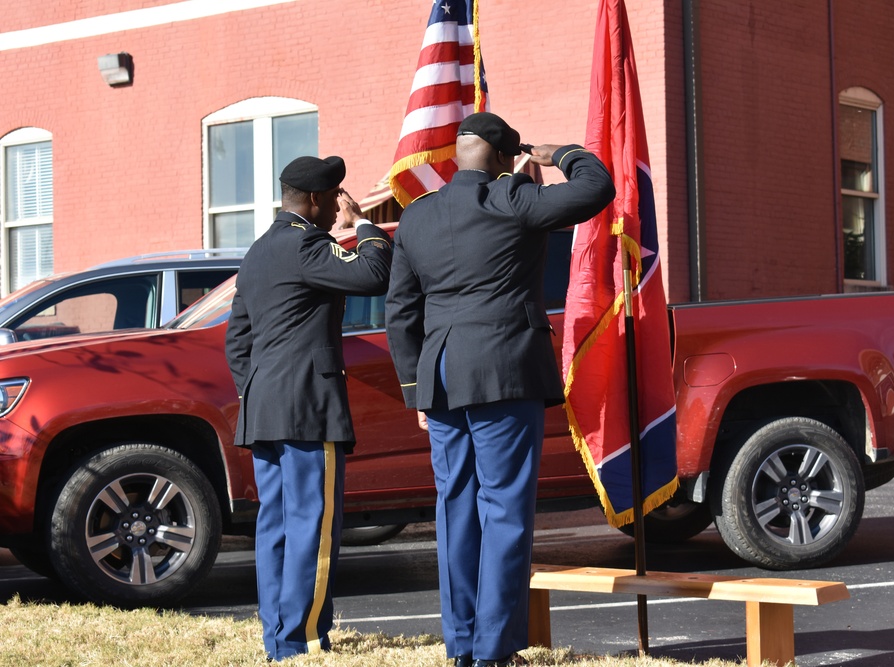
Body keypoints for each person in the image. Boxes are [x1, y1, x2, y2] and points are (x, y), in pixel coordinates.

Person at [384, 112, 615, 667]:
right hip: (503, 372)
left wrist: (416, 390)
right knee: (505, 511)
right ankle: (493, 649)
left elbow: (400, 313)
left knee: (454, 511)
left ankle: (461, 645)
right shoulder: (514, 199)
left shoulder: (416, 217)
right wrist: (560, 154)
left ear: (459, 154)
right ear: (508, 157)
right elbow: (597, 187)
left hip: (440, 378)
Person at [225, 155, 392, 662]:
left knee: (274, 526)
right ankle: (305, 638)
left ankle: (279, 636)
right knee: (312, 526)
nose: (333, 208)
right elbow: (374, 273)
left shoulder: (256, 251)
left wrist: (257, 392)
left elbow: (237, 341)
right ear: (316, 201)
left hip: (266, 410)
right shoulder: (306, 244)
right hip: (308, 409)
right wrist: (362, 224)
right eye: (332, 199)